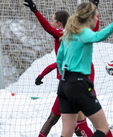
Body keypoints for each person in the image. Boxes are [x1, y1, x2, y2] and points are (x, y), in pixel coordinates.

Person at [24, 0, 100, 136]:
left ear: (59, 23)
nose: (51, 22)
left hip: (70, 84)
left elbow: (48, 28)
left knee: (52, 119)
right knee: (77, 122)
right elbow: (94, 30)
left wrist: (35, 11)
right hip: (82, 79)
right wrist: (94, 10)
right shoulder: (78, 34)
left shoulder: (63, 34)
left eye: (53, 20)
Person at [56, 2, 113, 137]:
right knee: (103, 128)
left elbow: (59, 59)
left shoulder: (69, 34)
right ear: (90, 18)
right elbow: (99, 36)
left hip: (64, 84)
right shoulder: (85, 33)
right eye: (97, 16)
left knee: (66, 133)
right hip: (78, 84)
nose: (97, 19)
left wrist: (65, 77)